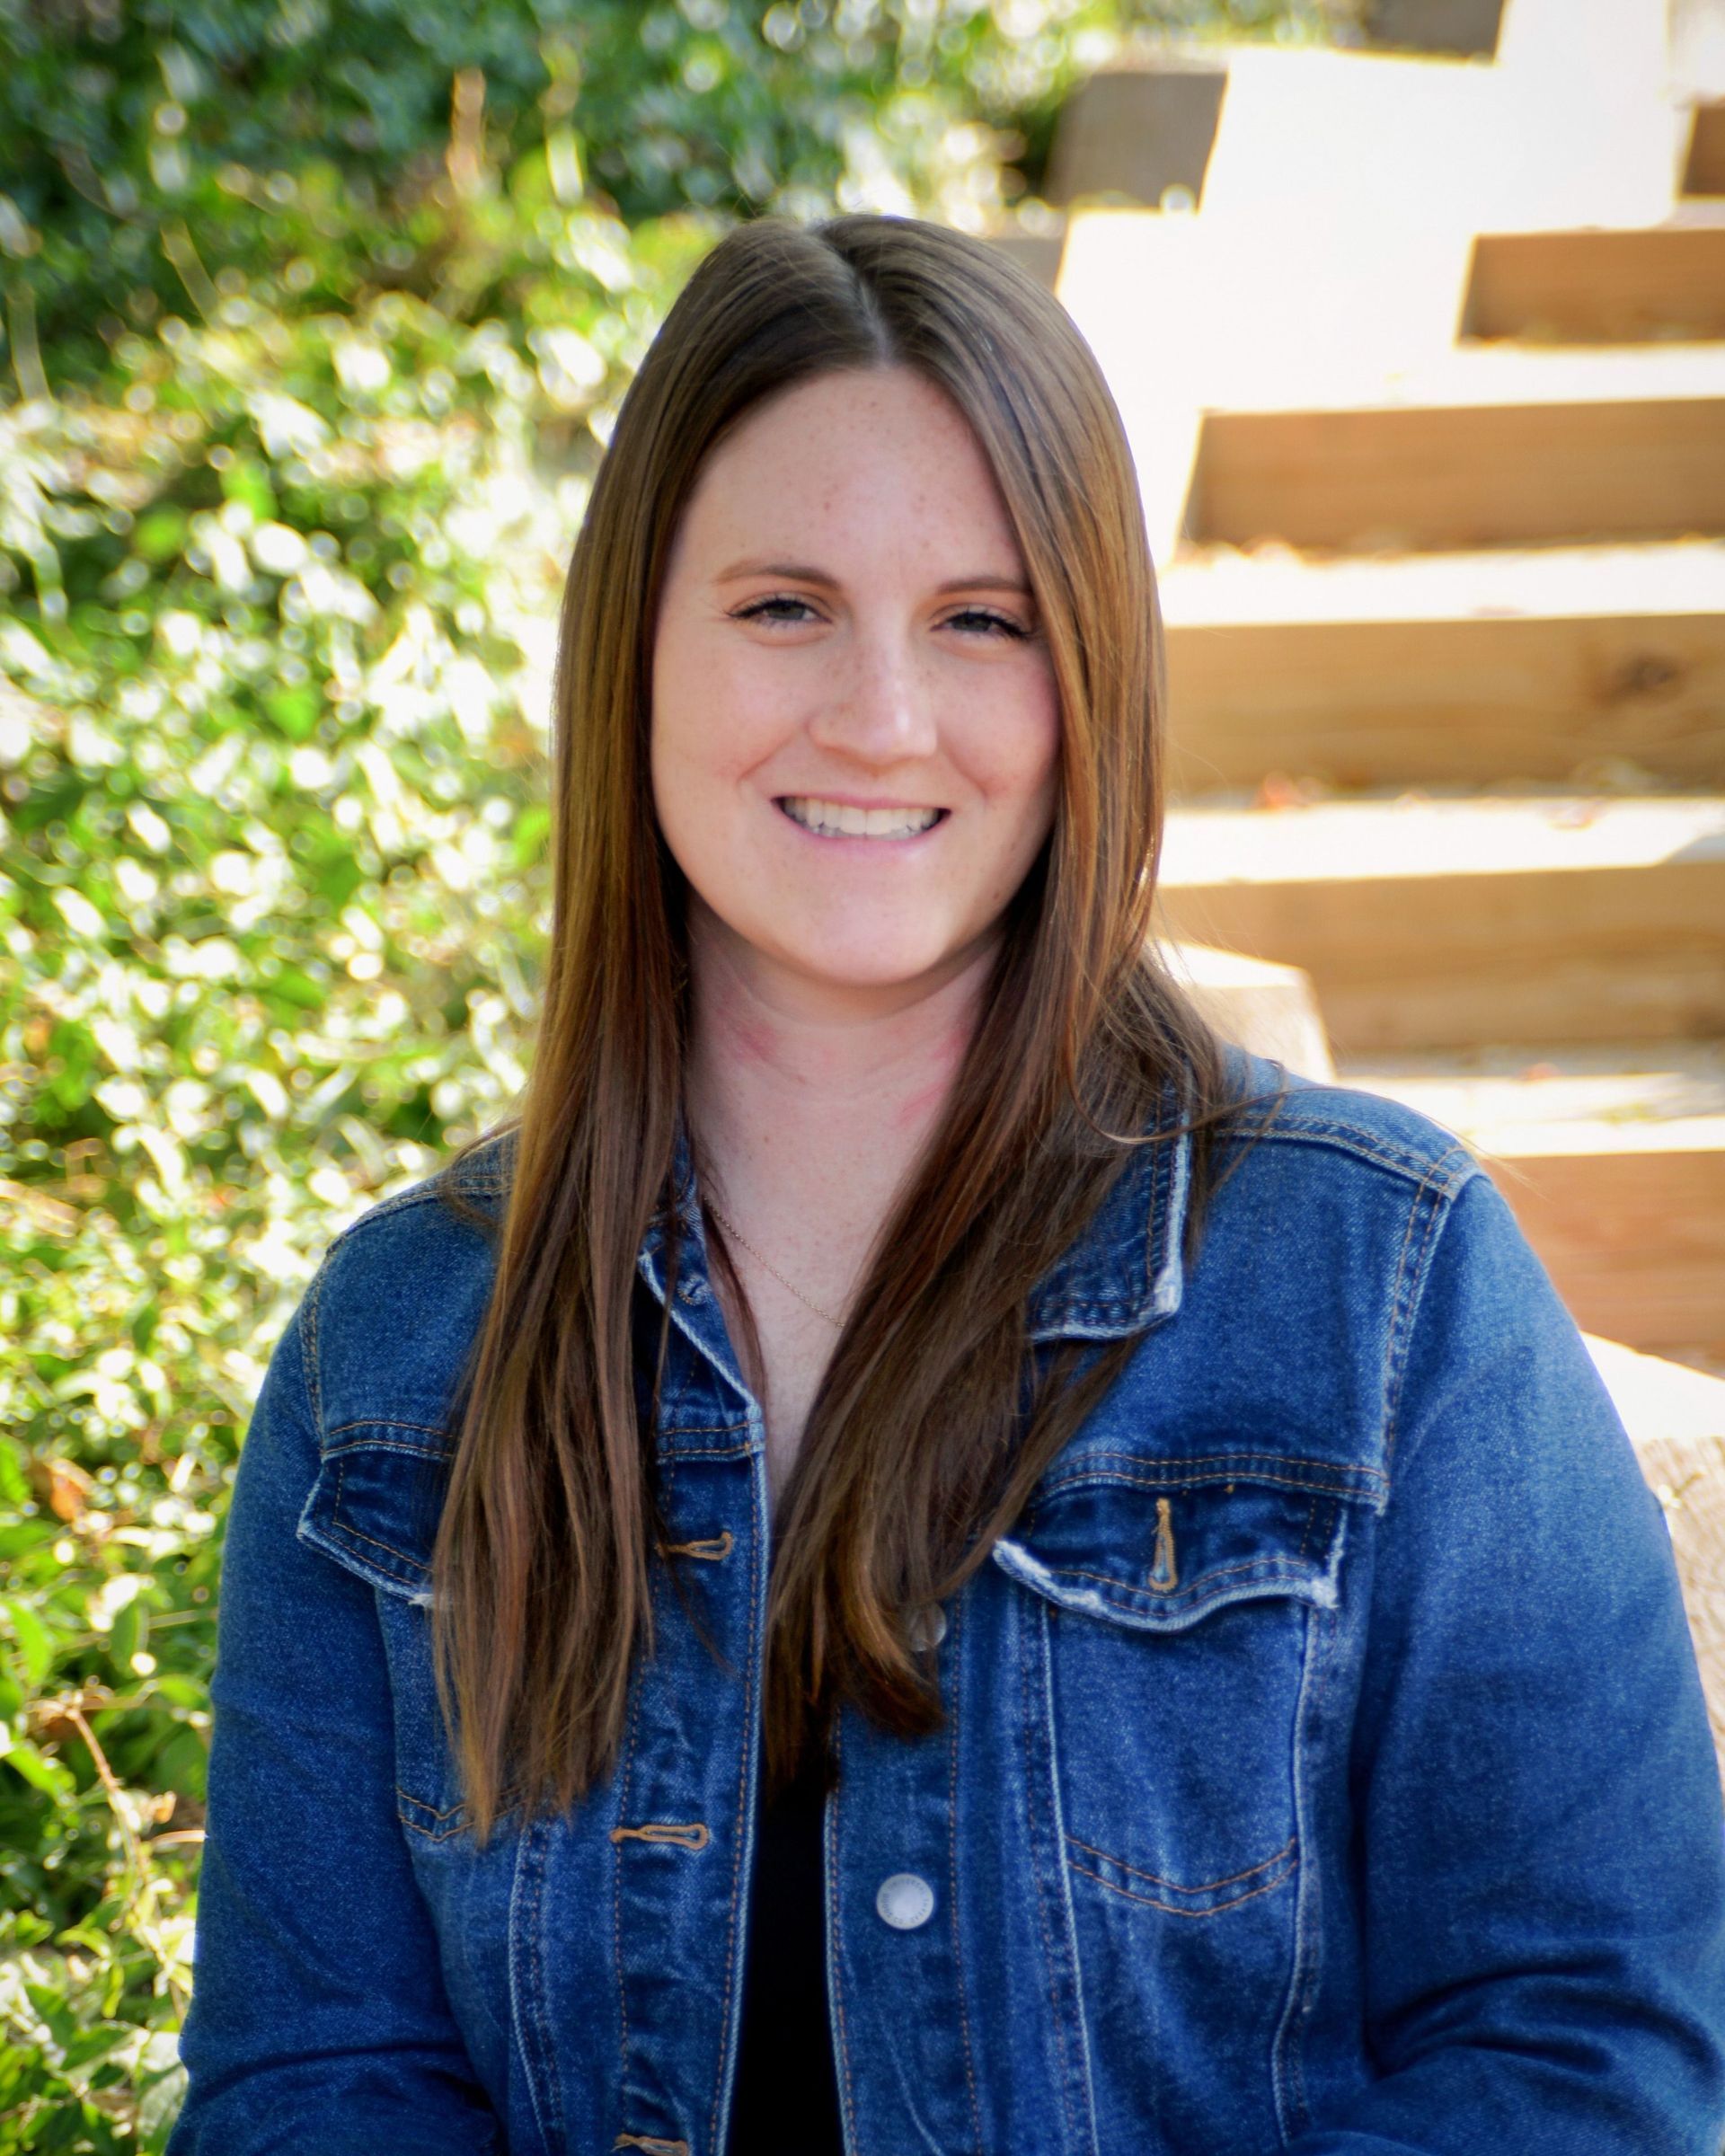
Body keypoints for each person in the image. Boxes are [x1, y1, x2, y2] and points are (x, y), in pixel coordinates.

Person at [166, 212, 1725, 2156]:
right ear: (632, 645)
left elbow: (1587, 2060)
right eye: (783, 607)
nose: (881, 718)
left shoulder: (1385, 1293)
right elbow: (314, 2090)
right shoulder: (393, 1361)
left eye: (980, 621)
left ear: (1090, 689)